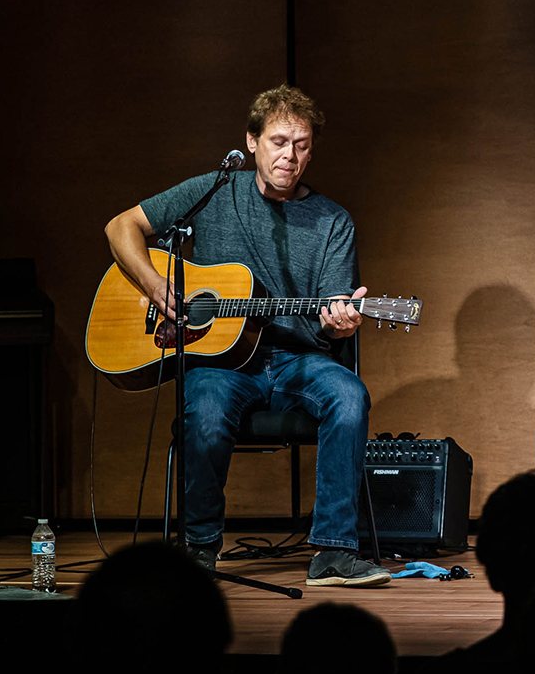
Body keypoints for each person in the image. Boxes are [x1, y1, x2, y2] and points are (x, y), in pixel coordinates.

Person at [104, 84, 389, 587]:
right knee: (206, 408)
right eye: (279, 141)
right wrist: (156, 287)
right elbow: (120, 227)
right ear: (252, 142)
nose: (290, 156)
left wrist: (337, 321)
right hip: (223, 363)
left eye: (302, 145)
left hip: (297, 359)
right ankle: (199, 548)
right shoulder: (213, 191)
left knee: (349, 395)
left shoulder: (332, 222)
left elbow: (330, 313)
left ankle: (334, 552)